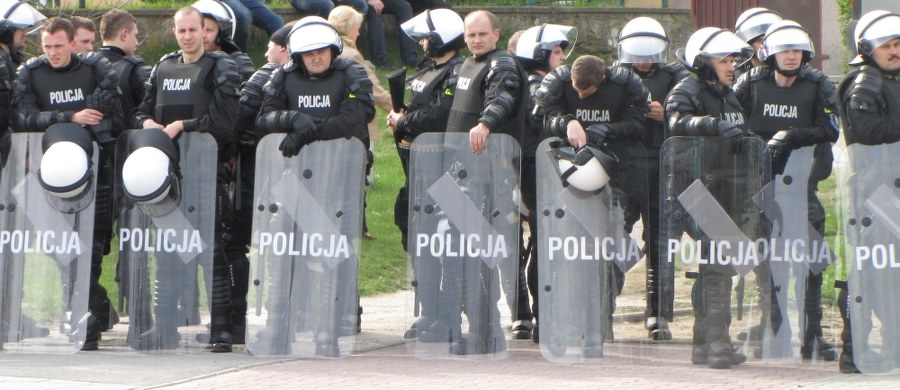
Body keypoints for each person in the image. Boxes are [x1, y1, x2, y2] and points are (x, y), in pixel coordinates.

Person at [254, 15, 374, 356]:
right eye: (309, 53)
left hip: (337, 179)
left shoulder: (350, 73)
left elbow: (355, 118)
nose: (317, 58)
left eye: (322, 51)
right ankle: (278, 329)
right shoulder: (284, 76)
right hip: (290, 179)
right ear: (297, 56)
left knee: (333, 254)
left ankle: (328, 332)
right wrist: (293, 119)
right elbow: (263, 117)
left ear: (333, 50)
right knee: (283, 254)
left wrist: (307, 131)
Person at [133, 6, 242, 353]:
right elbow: (142, 111)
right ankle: (164, 326)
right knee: (167, 252)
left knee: (212, 251)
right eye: (182, 31)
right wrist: (149, 124)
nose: (189, 36)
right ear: (175, 32)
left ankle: (221, 329)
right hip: (165, 178)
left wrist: (184, 126)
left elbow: (227, 122)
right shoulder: (164, 66)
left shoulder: (220, 66)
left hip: (206, 173)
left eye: (195, 30)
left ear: (207, 31)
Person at [12, 16, 124, 351]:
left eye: (58, 46)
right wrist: (69, 118)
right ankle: (94, 312)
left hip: (94, 174)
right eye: (47, 46)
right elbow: (22, 119)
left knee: (91, 249)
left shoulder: (94, 70)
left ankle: (85, 322)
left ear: (73, 43)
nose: (52, 53)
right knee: (61, 251)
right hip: (50, 177)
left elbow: (112, 118)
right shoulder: (32, 73)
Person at [733, 20, 839, 361]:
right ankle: (774, 327)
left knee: (811, 263)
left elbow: (831, 127)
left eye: (796, 51)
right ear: (769, 54)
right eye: (783, 50)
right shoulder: (750, 83)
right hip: (761, 186)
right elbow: (731, 119)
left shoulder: (816, 83)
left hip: (802, 187)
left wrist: (792, 135)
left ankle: (814, 333)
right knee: (766, 263)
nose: (791, 57)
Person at [533, 54, 649, 346]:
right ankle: (574, 316)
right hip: (571, 175)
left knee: (610, 249)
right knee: (575, 249)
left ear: (602, 80)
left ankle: (601, 314)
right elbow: (541, 117)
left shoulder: (624, 84)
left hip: (617, 175)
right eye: (577, 90)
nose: (581, 96)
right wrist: (567, 121)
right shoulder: (560, 83)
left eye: (587, 92)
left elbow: (639, 125)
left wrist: (608, 129)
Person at [665, 26, 753, 369]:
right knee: (716, 269)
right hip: (697, 191)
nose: (732, 65)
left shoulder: (729, 95)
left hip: (730, 190)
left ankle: (705, 344)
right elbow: (675, 122)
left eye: (734, 59)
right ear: (703, 62)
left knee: (720, 268)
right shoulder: (685, 90)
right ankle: (717, 342)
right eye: (724, 59)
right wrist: (711, 124)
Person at [385, 7, 465, 341]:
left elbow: (441, 113)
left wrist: (404, 122)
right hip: (417, 170)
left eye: (426, 38)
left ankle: (449, 319)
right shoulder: (426, 69)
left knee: (447, 246)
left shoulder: (456, 71)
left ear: (440, 38)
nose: (421, 43)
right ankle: (429, 312)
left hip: (446, 171)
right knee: (420, 241)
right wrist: (400, 118)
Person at [615, 16, 689, 341]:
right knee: (614, 237)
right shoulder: (616, 77)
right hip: (626, 167)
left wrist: (666, 117)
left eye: (650, 53)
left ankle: (658, 314)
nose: (643, 60)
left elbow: (689, 113)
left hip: (664, 166)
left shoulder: (677, 77)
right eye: (637, 53)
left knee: (661, 243)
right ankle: (604, 308)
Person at [835, 9, 900, 374]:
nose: (894, 51)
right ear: (867, 49)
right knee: (868, 272)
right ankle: (853, 349)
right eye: (887, 46)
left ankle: (894, 343)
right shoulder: (865, 81)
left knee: (893, 271)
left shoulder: (891, 79)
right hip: (874, 192)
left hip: (892, 189)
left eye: (898, 44)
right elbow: (867, 131)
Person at [513, 23, 574, 342]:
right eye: (557, 51)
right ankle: (543, 316)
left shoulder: (531, 83)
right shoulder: (540, 86)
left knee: (544, 244)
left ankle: (542, 316)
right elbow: (547, 125)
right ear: (539, 55)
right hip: (539, 173)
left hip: (539, 172)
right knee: (546, 245)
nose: (563, 57)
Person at [99, 9, 150, 125]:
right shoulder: (135, 69)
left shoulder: (86, 67)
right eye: (135, 35)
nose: (137, 43)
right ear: (124, 34)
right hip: (130, 140)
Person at [193, 0, 255, 81]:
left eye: (209, 30)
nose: (203, 35)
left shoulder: (238, 64)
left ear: (222, 33)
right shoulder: (176, 62)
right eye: (197, 30)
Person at [733, 7, 782, 78]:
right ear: (748, 46)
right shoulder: (734, 76)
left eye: (772, 40)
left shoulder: (791, 72)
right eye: (761, 41)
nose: (767, 45)